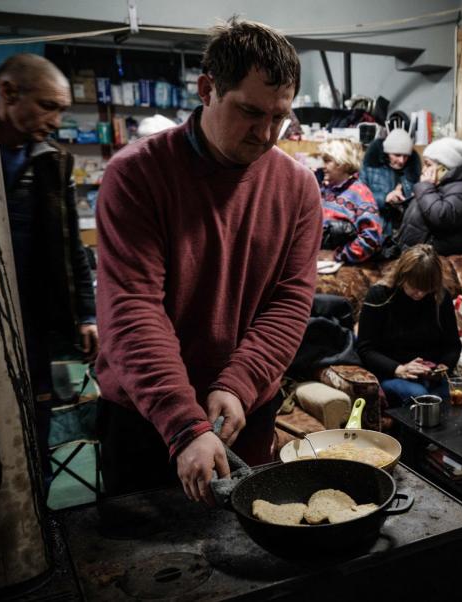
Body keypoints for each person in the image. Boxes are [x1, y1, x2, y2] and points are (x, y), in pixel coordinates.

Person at [94, 19, 321, 505]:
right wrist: (183, 423)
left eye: (279, 116)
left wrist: (239, 385)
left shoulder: (298, 188)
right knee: (142, 571)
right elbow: (132, 309)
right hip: (147, 415)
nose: (265, 134)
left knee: (254, 560)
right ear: (207, 89)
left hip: (245, 410)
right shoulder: (137, 175)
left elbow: (289, 302)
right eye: (249, 112)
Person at [0, 54, 98, 482]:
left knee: (36, 416)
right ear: (8, 93)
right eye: (47, 106)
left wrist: (87, 315)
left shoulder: (51, 163)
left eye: (61, 110)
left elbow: (71, 245)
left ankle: (36, 507)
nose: (56, 120)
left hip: (31, 320)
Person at [356, 244, 461, 406]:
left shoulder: (439, 296)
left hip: (429, 373)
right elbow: (365, 348)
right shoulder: (379, 295)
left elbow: (453, 345)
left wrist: (442, 368)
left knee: (455, 394)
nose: (419, 294)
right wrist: (399, 369)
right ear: (402, 276)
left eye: (426, 289)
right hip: (391, 371)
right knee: (420, 396)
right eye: (414, 287)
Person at [396, 137, 462, 256]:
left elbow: (441, 216)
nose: (423, 170)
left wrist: (425, 187)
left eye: (428, 164)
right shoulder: (438, 185)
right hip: (419, 261)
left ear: (444, 169)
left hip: (437, 265)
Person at [318, 139, 383, 264]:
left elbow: (371, 239)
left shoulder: (361, 194)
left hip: (343, 269)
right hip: (319, 263)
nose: (323, 166)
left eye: (327, 161)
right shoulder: (324, 189)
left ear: (344, 163)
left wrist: (337, 256)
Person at [360, 128, 420, 239]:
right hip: (377, 230)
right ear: (387, 153)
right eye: (397, 155)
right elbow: (359, 198)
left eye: (406, 156)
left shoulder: (413, 170)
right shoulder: (370, 167)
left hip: (405, 232)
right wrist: (385, 199)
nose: (402, 160)